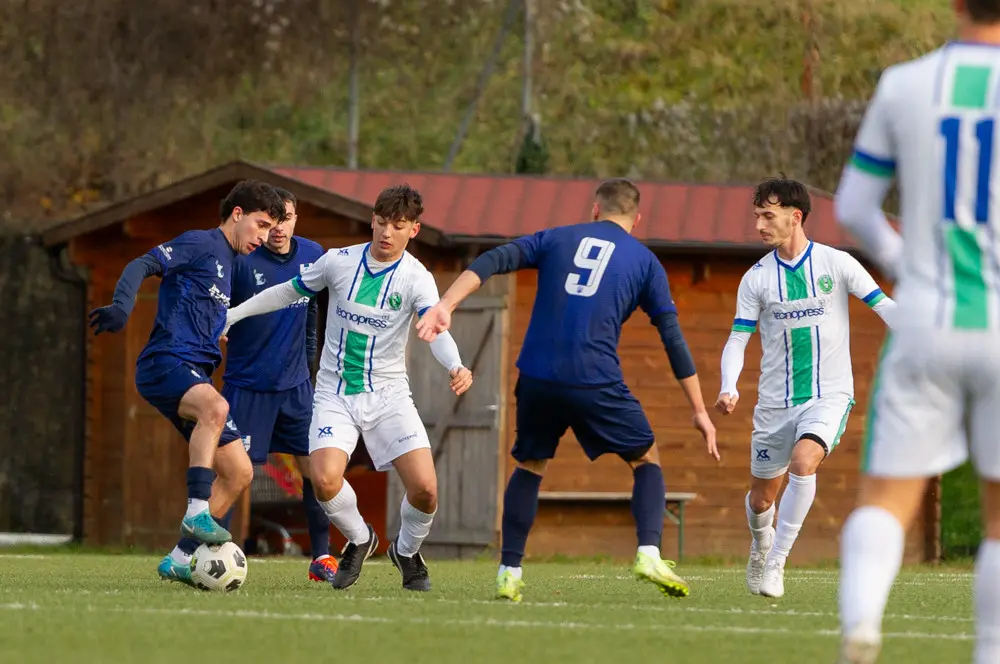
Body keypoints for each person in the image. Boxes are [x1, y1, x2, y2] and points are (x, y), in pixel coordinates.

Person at [416, 178, 717, 603]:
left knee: (530, 465)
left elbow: (493, 260)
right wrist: (699, 409)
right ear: (637, 218)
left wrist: (445, 304)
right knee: (645, 456)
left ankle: (508, 571)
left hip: (537, 376)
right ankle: (649, 552)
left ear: (595, 209)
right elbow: (672, 336)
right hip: (595, 377)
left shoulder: (556, 238)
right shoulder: (646, 262)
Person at [833, 1, 1000, 660]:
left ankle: (862, 624)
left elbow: (853, 208)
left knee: (885, 498)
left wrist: (909, 266)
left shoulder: (904, 83)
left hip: (927, 319)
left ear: (956, 4)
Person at [223, 184, 473, 592]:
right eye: (381, 222)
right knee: (323, 480)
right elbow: (287, 292)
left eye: (398, 225)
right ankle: (360, 539)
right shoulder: (338, 262)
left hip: (389, 394)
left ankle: (406, 551)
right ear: (371, 221)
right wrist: (235, 314)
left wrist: (455, 363)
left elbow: (436, 328)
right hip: (335, 393)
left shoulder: (416, 277)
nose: (386, 232)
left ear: (414, 229)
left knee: (426, 490)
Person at [87, 180, 287, 584]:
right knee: (216, 407)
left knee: (240, 474)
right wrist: (122, 308)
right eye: (261, 225)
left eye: (270, 229)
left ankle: (180, 558)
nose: (264, 237)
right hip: (165, 363)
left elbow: (199, 305)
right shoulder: (200, 243)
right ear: (236, 215)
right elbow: (141, 264)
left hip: (192, 369)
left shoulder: (230, 265)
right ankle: (197, 511)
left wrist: (217, 328)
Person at [715, 178, 896, 601]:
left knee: (804, 461)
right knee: (762, 501)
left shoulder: (837, 264)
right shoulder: (756, 279)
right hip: (773, 405)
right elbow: (738, 337)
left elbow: (884, 306)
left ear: (795, 217)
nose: (759, 224)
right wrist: (729, 386)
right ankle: (761, 544)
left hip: (828, 395)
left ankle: (777, 559)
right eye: (757, 215)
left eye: (767, 215)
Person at [168, 187, 335, 582]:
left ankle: (322, 558)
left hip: (296, 388)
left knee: (318, 470)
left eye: (287, 218)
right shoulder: (243, 260)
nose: (278, 228)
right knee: (234, 475)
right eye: (272, 220)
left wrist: (309, 370)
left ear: (297, 220)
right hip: (247, 387)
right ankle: (186, 555)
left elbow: (311, 316)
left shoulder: (315, 256)